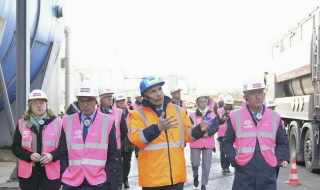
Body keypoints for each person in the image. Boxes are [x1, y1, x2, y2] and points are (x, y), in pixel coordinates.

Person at [129, 75, 212, 189]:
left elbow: (188, 135)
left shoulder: (178, 110)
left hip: (176, 177)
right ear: (145, 96)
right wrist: (157, 129)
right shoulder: (137, 114)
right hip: (153, 180)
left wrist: (199, 130)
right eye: (153, 91)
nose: (159, 94)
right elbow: (137, 140)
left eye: (160, 89)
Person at [222, 76, 290, 190]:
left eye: (260, 92)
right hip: (243, 172)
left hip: (267, 172)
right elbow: (226, 142)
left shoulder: (275, 117)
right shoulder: (235, 116)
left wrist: (276, 161)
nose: (258, 97)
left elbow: (282, 142)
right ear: (245, 97)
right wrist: (234, 161)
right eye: (253, 93)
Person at [59, 80, 118, 190]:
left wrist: (107, 178)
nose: (85, 105)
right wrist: (64, 173)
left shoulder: (107, 121)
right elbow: (63, 152)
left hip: (98, 181)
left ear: (96, 101)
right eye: (82, 101)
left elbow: (113, 154)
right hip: (72, 180)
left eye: (89, 101)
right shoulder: (67, 121)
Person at [12, 89, 62, 190]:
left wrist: (52, 155)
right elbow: (15, 147)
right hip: (29, 175)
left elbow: (65, 147)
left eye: (42, 102)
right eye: (35, 103)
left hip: (50, 174)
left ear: (46, 104)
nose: (39, 105)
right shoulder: (22, 123)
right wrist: (29, 155)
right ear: (30, 106)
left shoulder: (58, 123)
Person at [98, 87, 127, 190]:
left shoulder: (119, 112)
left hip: (115, 149)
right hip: (98, 149)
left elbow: (124, 130)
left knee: (116, 174)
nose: (110, 98)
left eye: (111, 96)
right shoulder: (95, 112)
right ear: (100, 99)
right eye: (107, 97)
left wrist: (115, 142)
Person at [189, 94, 219, 190]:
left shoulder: (213, 114)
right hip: (195, 142)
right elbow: (189, 128)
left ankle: (204, 184)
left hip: (208, 143)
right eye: (201, 101)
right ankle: (195, 174)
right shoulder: (192, 115)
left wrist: (209, 133)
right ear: (197, 103)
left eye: (205, 101)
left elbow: (216, 127)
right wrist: (200, 133)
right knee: (195, 163)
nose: (203, 103)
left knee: (207, 165)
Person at [265, 98, 289, 179]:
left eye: (273, 108)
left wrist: (284, 158)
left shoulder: (279, 122)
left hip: (275, 160)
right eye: (269, 108)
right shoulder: (257, 122)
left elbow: (284, 142)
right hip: (262, 161)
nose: (272, 110)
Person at [114, 93, 134, 189]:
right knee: (117, 163)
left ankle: (125, 179)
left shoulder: (131, 113)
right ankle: (119, 180)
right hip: (117, 140)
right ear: (116, 103)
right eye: (119, 101)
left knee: (127, 162)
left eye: (123, 101)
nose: (122, 103)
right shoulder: (113, 113)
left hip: (129, 140)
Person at [216, 95, 234, 174]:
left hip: (232, 134)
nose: (228, 106)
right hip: (221, 134)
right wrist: (222, 119)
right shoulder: (219, 111)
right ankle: (223, 167)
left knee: (229, 151)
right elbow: (216, 123)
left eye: (229, 104)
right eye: (226, 104)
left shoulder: (235, 112)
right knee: (222, 152)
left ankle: (227, 166)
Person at [131, 93, 143, 159]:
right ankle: (137, 153)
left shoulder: (143, 105)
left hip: (143, 123)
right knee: (137, 137)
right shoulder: (132, 106)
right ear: (136, 98)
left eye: (141, 97)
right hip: (136, 123)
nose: (141, 98)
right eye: (139, 97)